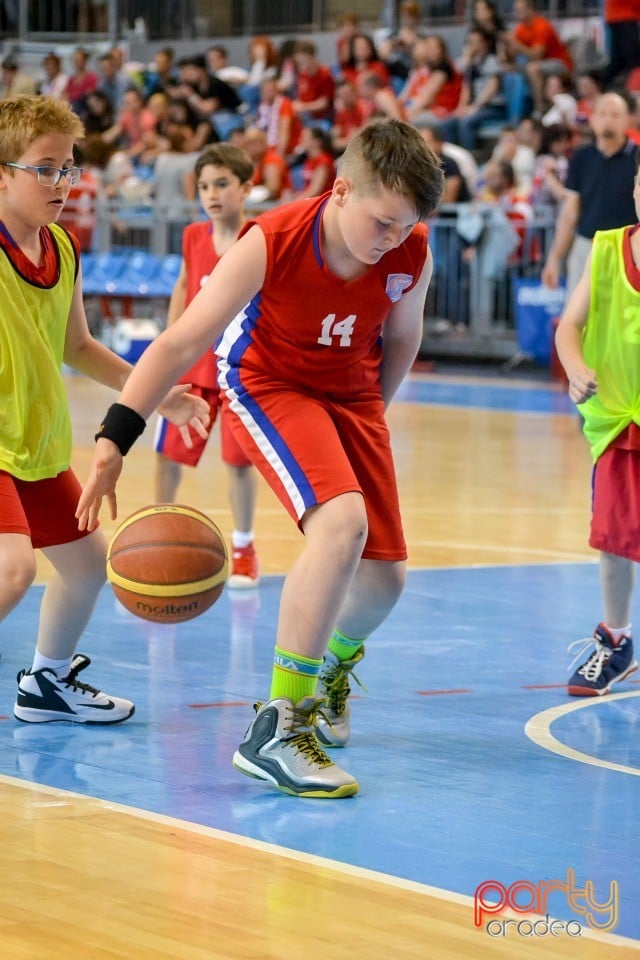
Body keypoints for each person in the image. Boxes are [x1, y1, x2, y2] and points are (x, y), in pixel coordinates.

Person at [76, 119, 445, 799]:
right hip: (269, 381)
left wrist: (370, 416)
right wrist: (113, 438)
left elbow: (403, 338)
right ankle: (278, 725)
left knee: (385, 582)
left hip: (354, 393)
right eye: (382, 222)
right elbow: (179, 343)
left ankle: (331, 667)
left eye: (406, 227)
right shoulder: (270, 240)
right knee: (340, 527)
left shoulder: (411, 251)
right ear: (341, 191)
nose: (392, 239)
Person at [0, 95, 208, 722]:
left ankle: (47, 684)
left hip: (35, 443)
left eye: (68, 167)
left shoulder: (61, 248)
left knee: (89, 566)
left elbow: (79, 346)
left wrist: (158, 393)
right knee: (13, 570)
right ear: (3, 173)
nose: (61, 182)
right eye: (44, 168)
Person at [154, 144, 261, 589]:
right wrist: (169, 343)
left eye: (222, 184)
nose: (211, 194)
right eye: (203, 186)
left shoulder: (258, 237)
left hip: (239, 368)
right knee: (168, 452)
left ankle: (243, 546)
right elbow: (183, 284)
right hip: (195, 367)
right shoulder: (194, 236)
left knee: (239, 462)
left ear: (245, 188)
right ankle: (159, 532)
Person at [553, 152, 640, 696]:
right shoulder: (608, 249)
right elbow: (570, 325)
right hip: (617, 417)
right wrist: (575, 366)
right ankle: (617, 639)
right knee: (613, 537)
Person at [542, 92, 638, 298]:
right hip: (587, 246)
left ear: (627, 120)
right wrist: (554, 258)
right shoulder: (581, 157)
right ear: (593, 119)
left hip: (629, 249)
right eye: (602, 114)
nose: (608, 120)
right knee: (576, 316)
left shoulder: (637, 157)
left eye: (615, 114)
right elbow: (570, 212)